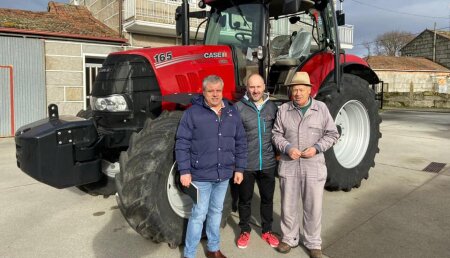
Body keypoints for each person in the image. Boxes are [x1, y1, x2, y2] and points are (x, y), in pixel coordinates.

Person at [175, 75, 247, 258]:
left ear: (222, 91)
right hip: (200, 176)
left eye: (218, 90)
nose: (215, 94)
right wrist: (184, 171)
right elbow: (182, 142)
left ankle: (213, 249)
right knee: (199, 215)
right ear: (203, 92)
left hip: (223, 174)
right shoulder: (192, 113)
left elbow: (240, 141)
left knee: (216, 212)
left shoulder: (231, 112)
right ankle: (189, 254)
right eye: (210, 91)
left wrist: (239, 168)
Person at [272, 72, 339, 258]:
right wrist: (287, 147)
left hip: (314, 166)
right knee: (288, 205)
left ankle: (313, 243)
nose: (297, 93)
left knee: (313, 206)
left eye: (301, 89)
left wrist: (317, 148)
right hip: (289, 164)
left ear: (310, 90)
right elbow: (276, 134)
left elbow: (332, 134)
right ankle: (289, 238)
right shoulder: (284, 109)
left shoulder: (321, 109)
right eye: (294, 89)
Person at [233, 73, 279, 249]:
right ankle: (245, 230)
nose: (255, 90)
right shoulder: (238, 108)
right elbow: (234, 138)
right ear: (247, 88)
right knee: (245, 200)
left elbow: (279, 133)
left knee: (267, 199)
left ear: (264, 87)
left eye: (258, 86)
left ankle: (267, 230)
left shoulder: (272, 107)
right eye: (252, 87)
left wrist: (279, 153)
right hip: (247, 164)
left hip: (267, 163)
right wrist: (238, 164)